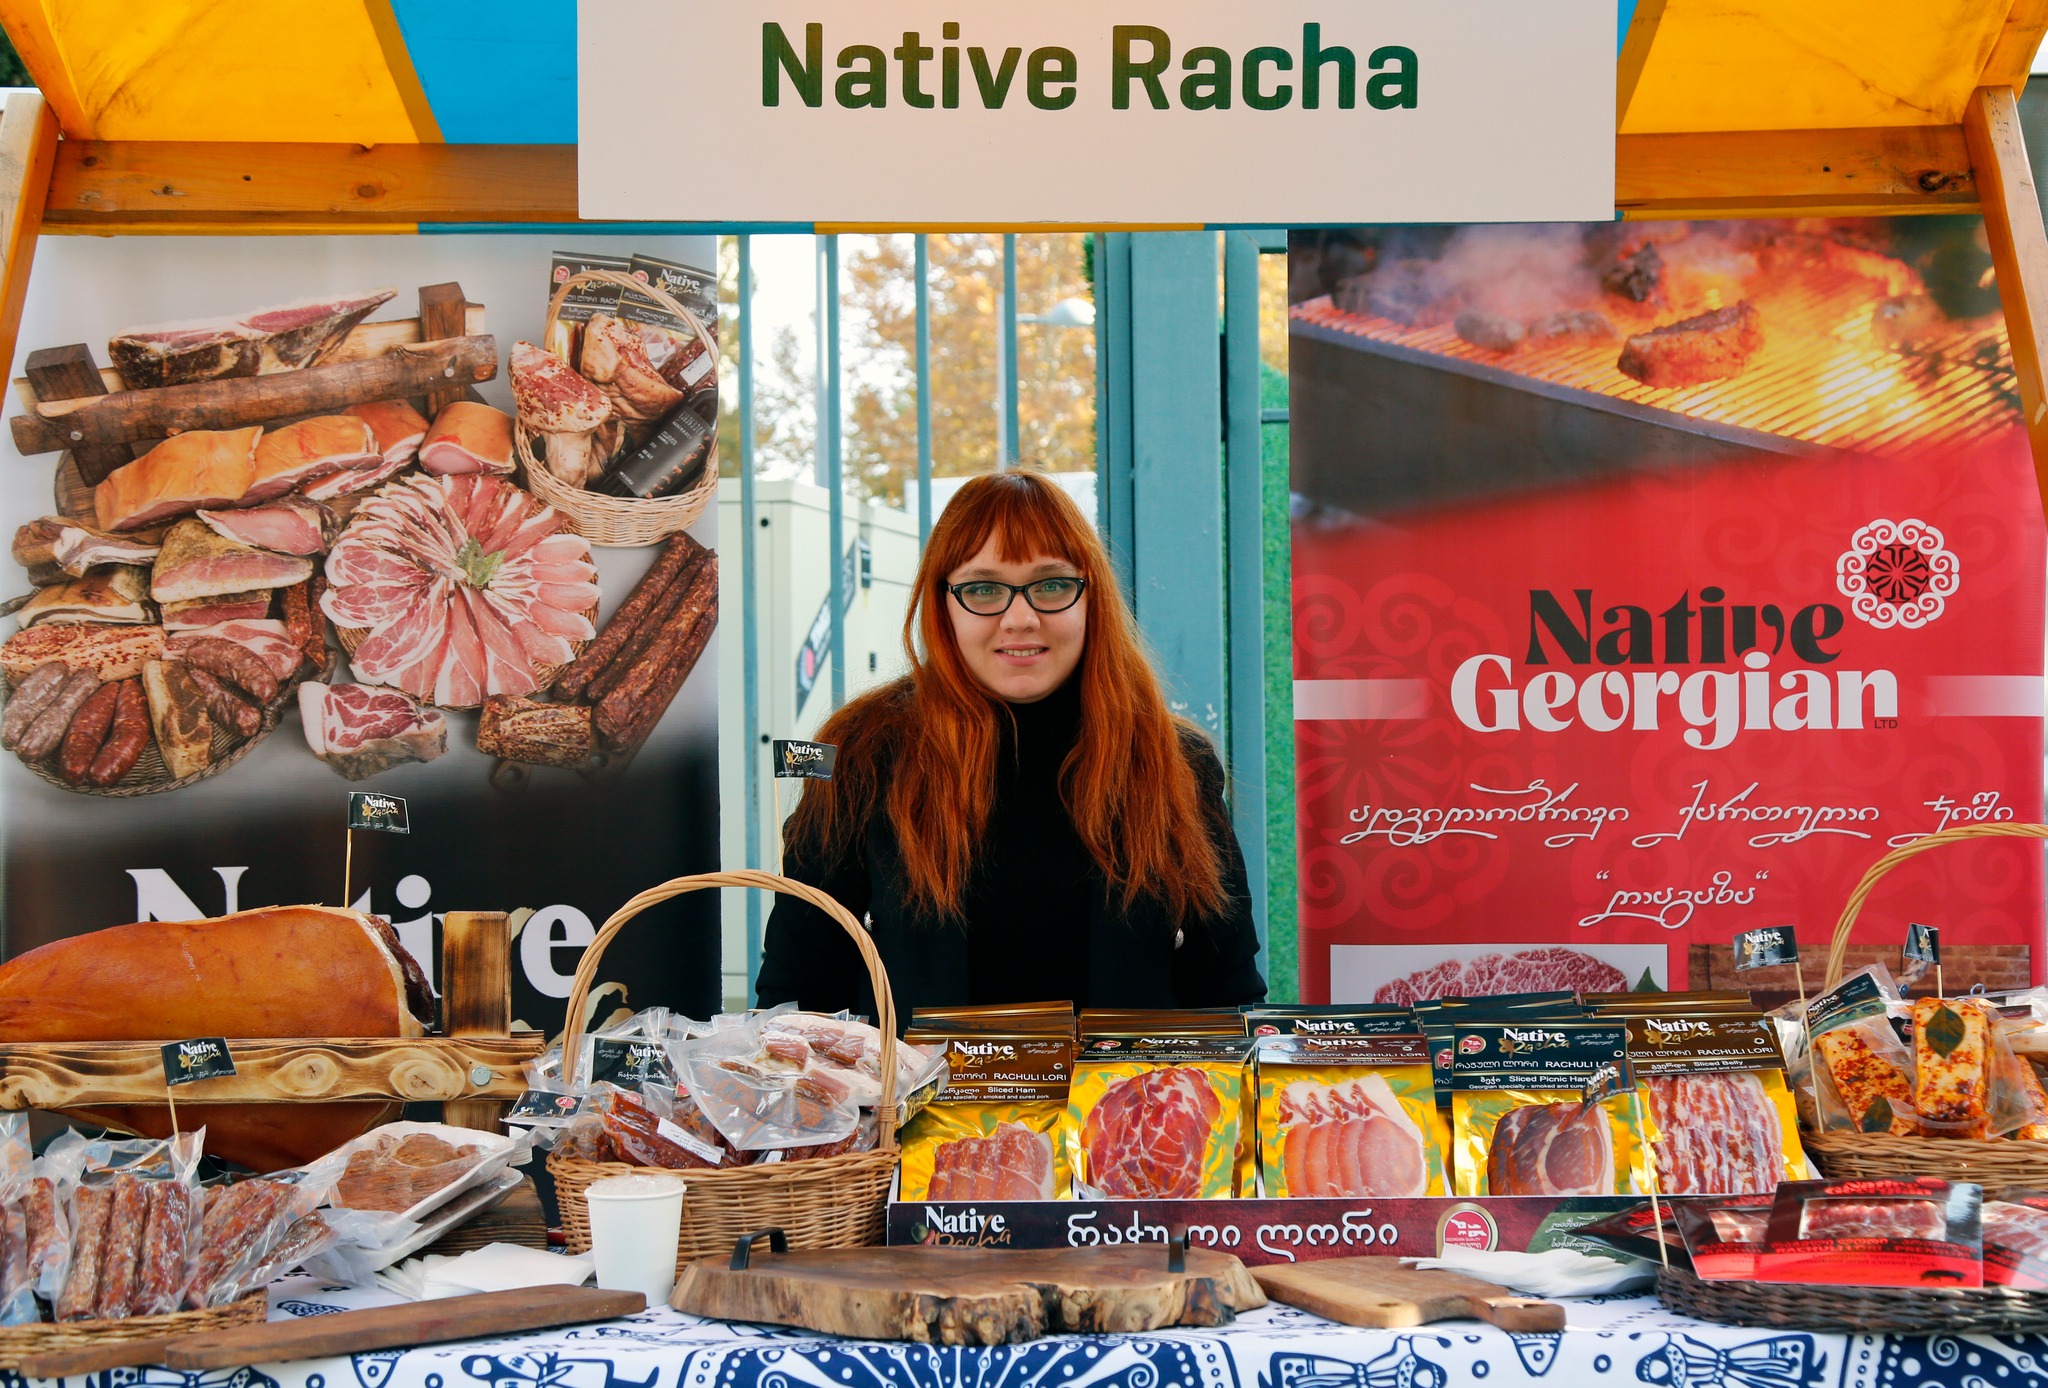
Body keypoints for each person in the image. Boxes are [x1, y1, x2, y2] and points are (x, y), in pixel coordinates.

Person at [755, 471, 1266, 1022]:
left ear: (1092, 597)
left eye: (1051, 585)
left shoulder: (1174, 759)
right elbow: (798, 992)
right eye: (983, 589)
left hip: (1128, 1080)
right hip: (917, 1082)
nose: (1020, 619)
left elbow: (1228, 990)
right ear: (942, 603)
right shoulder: (860, 748)